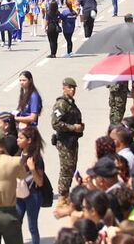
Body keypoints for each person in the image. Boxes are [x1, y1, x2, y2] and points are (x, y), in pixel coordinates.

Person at [50, 78, 83, 206]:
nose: (72, 90)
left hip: (72, 140)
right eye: (69, 87)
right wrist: (73, 127)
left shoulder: (70, 103)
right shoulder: (61, 104)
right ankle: (62, 197)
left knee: (71, 168)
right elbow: (55, 123)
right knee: (66, 169)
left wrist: (79, 127)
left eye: (74, 88)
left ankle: (66, 194)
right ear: (63, 87)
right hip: (65, 141)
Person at [15, 126, 45, 244]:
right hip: (18, 194)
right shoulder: (18, 154)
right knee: (16, 223)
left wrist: (32, 169)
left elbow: (40, 182)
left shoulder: (36, 158)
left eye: (21, 138)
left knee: (32, 226)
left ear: (29, 140)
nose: (17, 140)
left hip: (33, 195)